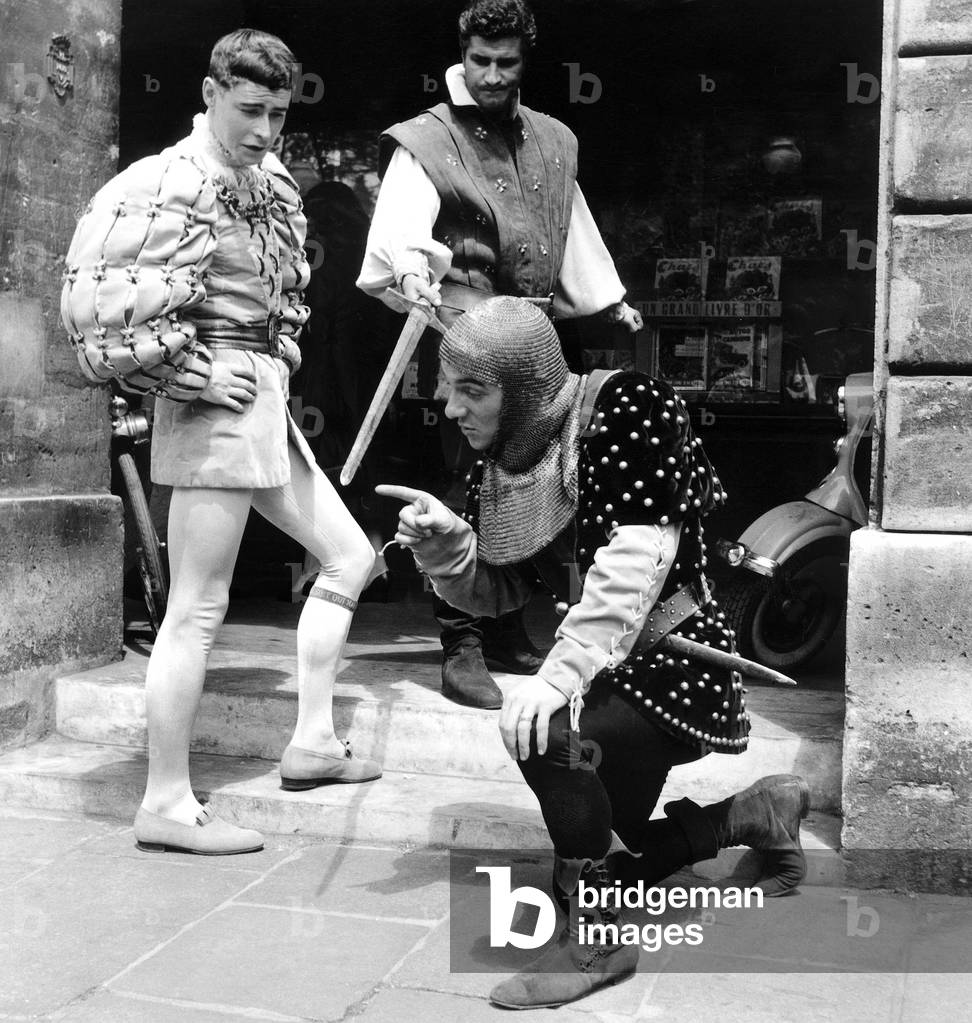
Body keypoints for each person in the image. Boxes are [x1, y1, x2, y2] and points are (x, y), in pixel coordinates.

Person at [378, 297, 809, 1009]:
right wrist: (450, 551)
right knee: (608, 865)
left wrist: (558, 675)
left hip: (674, 671)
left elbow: (640, 557)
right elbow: (502, 588)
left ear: (524, 386)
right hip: (609, 673)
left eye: (472, 389)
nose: (450, 406)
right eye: (447, 385)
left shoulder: (630, 405)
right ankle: (749, 816)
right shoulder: (506, 456)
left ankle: (601, 944)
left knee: (547, 735)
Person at [61, 29, 380, 857]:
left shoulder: (267, 178)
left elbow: (281, 289)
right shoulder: (165, 179)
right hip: (214, 403)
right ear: (208, 93)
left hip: (260, 397)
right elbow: (101, 318)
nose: (267, 129)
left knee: (351, 557)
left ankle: (312, 741)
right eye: (250, 109)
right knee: (196, 609)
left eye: (277, 111)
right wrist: (196, 377)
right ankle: (165, 800)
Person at [357, 0, 644, 710]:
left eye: (505, 63)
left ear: (524, 60)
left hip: (541, 341)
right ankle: (461, 645)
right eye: (480, 60)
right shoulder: (427, 139)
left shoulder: (553, 140)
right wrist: (413, 269)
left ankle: (510, 627)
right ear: (462, 53)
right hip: (472, 332)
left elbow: (568, 230)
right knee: (468, 485)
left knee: (541, 478)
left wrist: (608, 299)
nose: (490, 75)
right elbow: (400, 226)